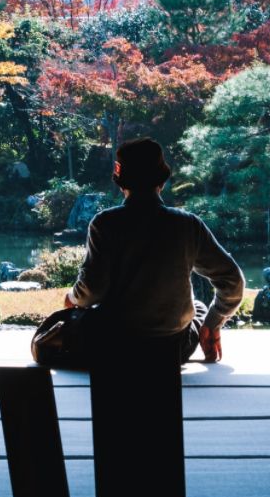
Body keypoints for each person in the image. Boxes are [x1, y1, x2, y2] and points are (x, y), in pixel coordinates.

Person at [64, 137, 245, 363]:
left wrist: (72, 297)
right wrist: (213, 321)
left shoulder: (105, 223)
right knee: (197, 307)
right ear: (162, 181)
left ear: (121, 183)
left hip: (113, 346)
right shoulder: (187, 225)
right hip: (171, 348)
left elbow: (91, 291)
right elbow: (233, 281)